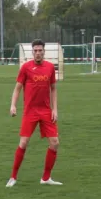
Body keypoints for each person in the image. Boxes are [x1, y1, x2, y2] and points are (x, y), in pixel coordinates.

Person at [6, 39, 62, 188]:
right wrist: (13, 105)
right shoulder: (26, 68)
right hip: (30, 111)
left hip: (45, 111)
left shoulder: (50, 67)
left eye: (40, 50)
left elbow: (53, 88)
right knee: (23, 143)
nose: (38, 53)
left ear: (44, 51)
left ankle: (45, 178)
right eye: (35, 50)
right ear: (32, 52)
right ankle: (13, 177)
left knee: (55, 143)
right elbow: (17, 88)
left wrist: (55, 109)